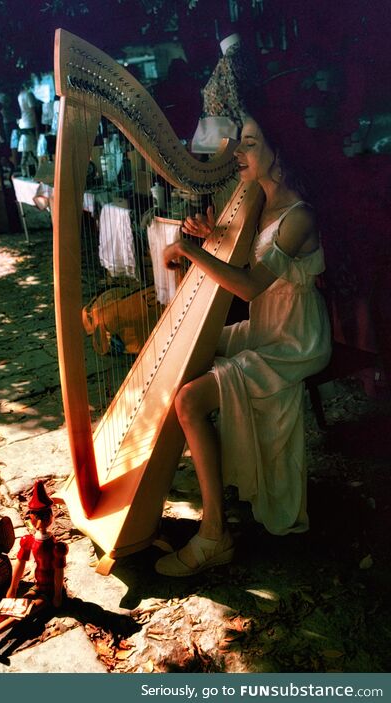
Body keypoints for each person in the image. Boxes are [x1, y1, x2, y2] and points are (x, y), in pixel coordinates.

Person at [155, 109, 331, 577]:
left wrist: (192, 252)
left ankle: (215, 534)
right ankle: (222, 488)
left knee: (190, 399)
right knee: (188, 356)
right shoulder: (259, 202)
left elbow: (252, 286)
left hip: (294, 337)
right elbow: (251, 267)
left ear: (280, 152)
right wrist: (212, 238)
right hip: (265, 326)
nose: (238, 152)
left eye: (250, 142)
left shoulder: (298, 217)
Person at [0, 480, 68, 656]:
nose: (40, 520)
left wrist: (57, 595)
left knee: (28, 610)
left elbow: (58, 572)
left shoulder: (56, 547)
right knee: (18, 605)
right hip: (37, 585)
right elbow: (20, 563)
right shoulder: (28, 540)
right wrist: (13, 587)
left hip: (49, 590)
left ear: (51, 515)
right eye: (36, 515)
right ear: (30, 516)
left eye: (45, 515)